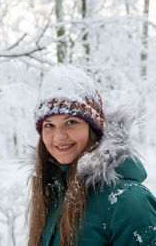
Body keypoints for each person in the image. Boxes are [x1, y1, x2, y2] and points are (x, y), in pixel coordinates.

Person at [27, 64, 156, 246]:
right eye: (49, 125)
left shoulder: (128, 200)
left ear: (93, 128)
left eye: (71, 121)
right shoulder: (54, 192)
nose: (59, 137)